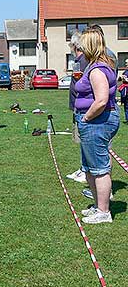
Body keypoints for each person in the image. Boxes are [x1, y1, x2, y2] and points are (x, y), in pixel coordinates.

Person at [75, 28, 120, 224]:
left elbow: (101, 101)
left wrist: (86, 118)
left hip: (97, 122)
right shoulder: (99, 66)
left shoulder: (97, 70)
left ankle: (103, 211)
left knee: (99, 169)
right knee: (90, 168)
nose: (80, 50)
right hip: (95, 122)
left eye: (82, 47)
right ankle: (98, 206)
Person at [65, 32, 89, 183]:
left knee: (84, 139)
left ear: (75, 46)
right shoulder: (78, 60)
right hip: (77, 106)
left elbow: (80, 85)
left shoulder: (82, 62)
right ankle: (83, 168)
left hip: (81, 108)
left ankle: (86, 170)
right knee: (81, 140)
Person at [118, 58, 128, 123]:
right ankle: (127, 119)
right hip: (124, 90)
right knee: (125, 105)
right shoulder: (125, 71)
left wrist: (126, 79)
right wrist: (121, 77)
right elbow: (119, 79)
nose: (126, 64)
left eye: (127, 63)